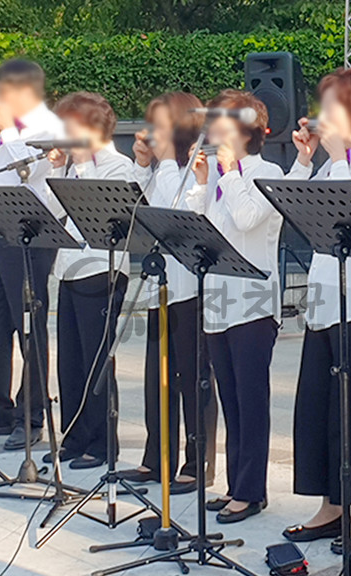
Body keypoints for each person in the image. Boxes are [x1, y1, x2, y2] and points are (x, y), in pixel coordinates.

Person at [282, 67, 351, 553]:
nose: (319, 116)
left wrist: (338, 156)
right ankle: (331, 507)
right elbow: (300, 215)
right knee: (319, 410)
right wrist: (308, 160)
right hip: (325, 304)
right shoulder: (332, 164)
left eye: (328, 107)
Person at [186, 90, 283, 523]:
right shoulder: (221, 177)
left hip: (253, 305)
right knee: (229, 399)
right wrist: (202, 183)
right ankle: (234, 485)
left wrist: (227, 174)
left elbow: (247, 219)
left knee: (251, 400)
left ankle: (251, 491)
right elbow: (201, 230)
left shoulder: (268, 173)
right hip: (219, 302)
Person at [0, 58, 64, 450]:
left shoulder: (48, 127)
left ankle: (31, 414)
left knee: (29, 326)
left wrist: (5, 129)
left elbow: (29, 170)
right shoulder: (6, 130)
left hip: (32, 236)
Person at [118, 92, 218, 493]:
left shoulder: (194, 166)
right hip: (161, 287)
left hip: (191, 287)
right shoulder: (163, 169)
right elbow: (139, 210)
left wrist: (162, 164)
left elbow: (182, 215)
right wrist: (144, 165)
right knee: (156, 378)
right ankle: (156, 457)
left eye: (158, 125)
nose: (151, 132)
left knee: (193, 378)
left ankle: (198, 461)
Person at [45, 92, 133, 469]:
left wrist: (80, 165)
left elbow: (95, 212)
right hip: (69, 267)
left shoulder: (119, 166)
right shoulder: (70, 167)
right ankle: (74, 435)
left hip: (102, 270)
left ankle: (101, 444)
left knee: (96, 360)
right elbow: (54, 212)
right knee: (70, 360)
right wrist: (57, 170)